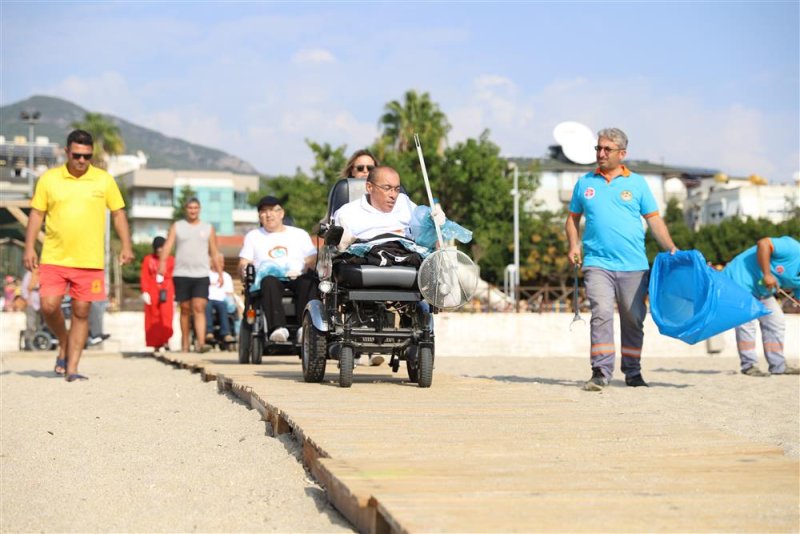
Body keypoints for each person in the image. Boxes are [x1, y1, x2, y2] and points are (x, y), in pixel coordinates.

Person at [565, 127, 676, 392]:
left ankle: (633, 371)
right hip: (597, 263)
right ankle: (600, 372)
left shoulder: (637, 184)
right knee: (601, 313)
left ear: (622, 154)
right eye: (598, 148)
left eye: (607, 149)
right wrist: (573, 244)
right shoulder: (585, 183)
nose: (600, 154)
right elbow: (572, 219)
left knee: (633, 318)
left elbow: (654, 220)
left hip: (634, 265)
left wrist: (671, 248)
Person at [23, 129, 133, 381]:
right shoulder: (49, 180)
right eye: (77, 155)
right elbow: (37, 214)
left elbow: (118, 213)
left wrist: (126, 245)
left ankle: (72, 369)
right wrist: (29, 247)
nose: (82, 161)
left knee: (81, 312)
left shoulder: (104, 180)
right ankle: (64, 341)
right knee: (49, 306)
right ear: (67, 152)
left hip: (90, 260)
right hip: (54, 257)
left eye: (87, 156)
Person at [333, 165, 445, 365]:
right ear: (369, 187)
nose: (393, 194)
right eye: (387, 188)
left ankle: (416, 330)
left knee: (428, 265)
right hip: (368, 255)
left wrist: (434, 222)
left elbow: (423, 233)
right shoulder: (348, 212)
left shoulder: (406, 205)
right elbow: (339, 246)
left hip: (404, 253)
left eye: (396, 188)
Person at [238, 196, 317, 343]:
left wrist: (309, 265)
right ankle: (278, 328)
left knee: (309, 281)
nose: (269, 214)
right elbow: (244, 261)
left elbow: (312, 258)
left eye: (273, 210)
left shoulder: (299, 234)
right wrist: (244, 270)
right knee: (268, 282)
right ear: (259, 216)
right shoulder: (253, 236)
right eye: (264, 211)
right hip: (269, 277)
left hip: (296, 275)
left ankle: (303, 328)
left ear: (281, 213)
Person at [723, 236, 800, 376]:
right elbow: (763, 243)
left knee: (776, 321)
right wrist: (767, 274)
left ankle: (778, 366)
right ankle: (749, 365)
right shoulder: (793, 248)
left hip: (762, 292)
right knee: (748, 322)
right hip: (739, 281)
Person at [160, 197, 222, 353]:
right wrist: (162, 264)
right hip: (181, 273)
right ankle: (185, 344)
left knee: (199, 307)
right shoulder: (177, 226)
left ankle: (201, 344)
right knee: (186, 309)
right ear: (186, 209)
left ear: (199, 209)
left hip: (201, 274)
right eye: (190, 208)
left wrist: (219, 273)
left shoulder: (208, 228)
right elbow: (167, 247)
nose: (193, 211)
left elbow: (214, 252)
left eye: (195, 208)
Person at [141, 236, 174, 352]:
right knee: (153, 318)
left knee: (166, 316)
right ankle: (156, 343)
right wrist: (145, 291)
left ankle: (166, 341)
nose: (160, 250)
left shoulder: (171, 260)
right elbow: (144, 276)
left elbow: (173, 275)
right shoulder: (148, 259)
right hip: (152, 290)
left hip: (167, 290)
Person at [206, 252, 235, 344]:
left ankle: (226, 333)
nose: (222, 264)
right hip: (208, 299)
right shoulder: (207, 274)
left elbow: (230, 292)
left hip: (221, 299)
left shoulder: (226, 276)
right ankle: (209, 332)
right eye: (219, 261)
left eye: (222, 261)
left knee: (223, 306)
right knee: (207, 305)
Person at [20, 267, 41, 350]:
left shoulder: (45, 274)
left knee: (40, 324)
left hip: (42, 303)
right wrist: (27, 298)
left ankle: (38, 341)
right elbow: (24, 288)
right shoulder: (29, 274)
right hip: (31, 301)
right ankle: (28, 342)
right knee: (30, 324)